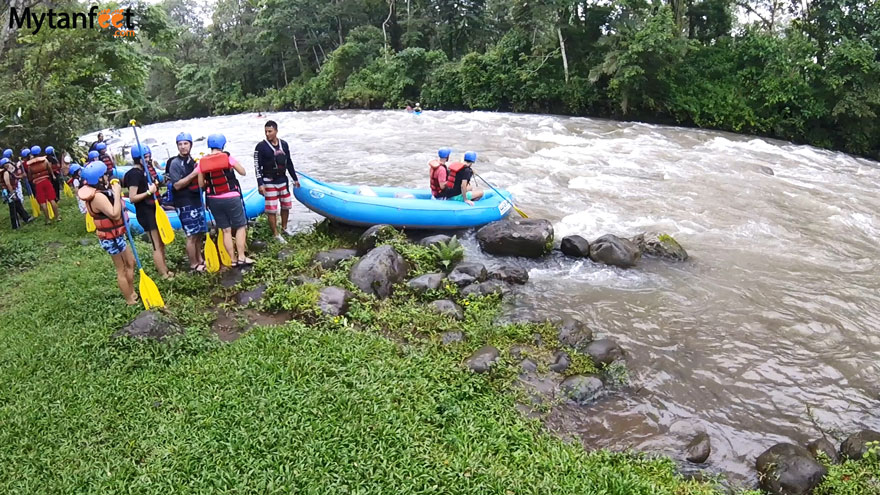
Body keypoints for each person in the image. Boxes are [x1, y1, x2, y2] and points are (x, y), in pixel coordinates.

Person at [78, 160, 137, 305]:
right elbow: (115, 214)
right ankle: (129, 299)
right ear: (99, 178)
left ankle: (132, 291)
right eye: (105, 175)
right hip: (111, 238)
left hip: (117, 234)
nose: (107, 176)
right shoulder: (97, 197)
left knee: (131, 262)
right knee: (121, 269)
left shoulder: (101, 191)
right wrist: (117, 194)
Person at [199, 133, 254, 267]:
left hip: (213, 199)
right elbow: (242, 172)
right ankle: (241, 257)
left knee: (225, 230)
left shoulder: (202, 162)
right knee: (240, 226)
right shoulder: (227, 157)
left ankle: (232, 259)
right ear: (222, 145)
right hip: (231, 197)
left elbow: (201, 184)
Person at [123, 145, 174, 279]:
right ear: (138, 159)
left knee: (161, 242)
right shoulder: (134, 174)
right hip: (146, 212)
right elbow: (132, 198)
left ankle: (166, 269)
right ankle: (163, 274)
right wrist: (148, 192)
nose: (148, 159)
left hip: (154, 210)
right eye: (145, 157)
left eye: (148, 156)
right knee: (156, 244)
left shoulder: (145, 171)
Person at [254, 120, 299, 244]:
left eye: (270, 131)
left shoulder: (284, 144)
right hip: (269, 181)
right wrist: (260, 184)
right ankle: (275, 234)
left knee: (286, 205)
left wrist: (295, 179)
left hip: (282, 180)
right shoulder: (260, 147)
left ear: (276, 131)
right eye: (266, 132)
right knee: (272, 209)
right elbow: (257, 166)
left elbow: (289, 162)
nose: (267, 134)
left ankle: (284, 228)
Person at [167, 131, 207, 272]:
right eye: (180, 144)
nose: (183, 147)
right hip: (184, 203)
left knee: (199, 233)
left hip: (196, 199)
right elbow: (176, 185)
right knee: (191, 235)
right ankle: (193, 264)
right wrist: (194, 174)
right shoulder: (175, 163)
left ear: (190, 145)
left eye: (185, 144)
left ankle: (200, 259)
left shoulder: (193, 161)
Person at [26, 145, 61, 222]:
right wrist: (52, 175)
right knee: (52, 199)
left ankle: (48, 219)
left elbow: (29, 175)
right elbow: (49, 169)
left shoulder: (30, 165)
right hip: (46, 181)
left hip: (38, 183)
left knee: (42, 202)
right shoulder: (44, 160)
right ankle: (57, 217)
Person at [2, 158, 32, 229]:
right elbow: (8, 183)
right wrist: (12, 193)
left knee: (18, 204)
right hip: (9, 192)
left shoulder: (9, 172)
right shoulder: (5, 173)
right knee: (13, 208)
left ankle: (26, 218)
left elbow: (15, 177)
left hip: (12, 190)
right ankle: (15, 225)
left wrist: (22, 176)